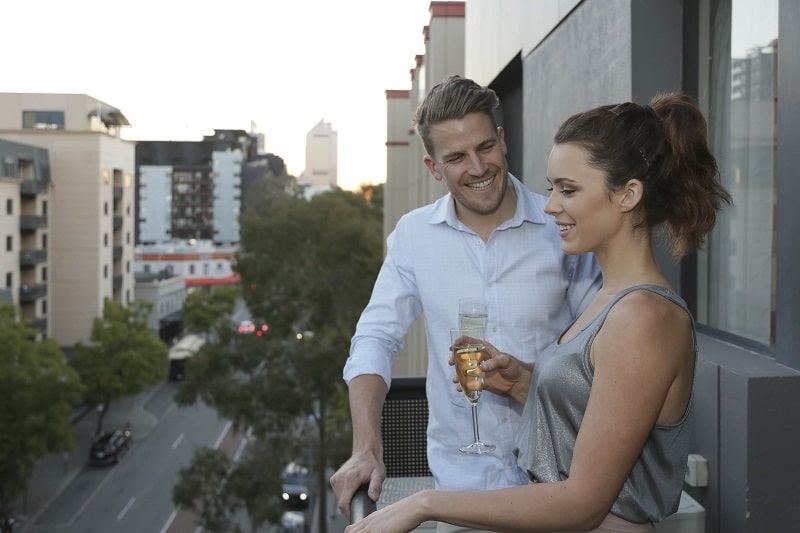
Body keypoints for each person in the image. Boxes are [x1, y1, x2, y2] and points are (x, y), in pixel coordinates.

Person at [343, 92, 732, 533]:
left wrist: (425, 504)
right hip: (501, 498)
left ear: (628, 195)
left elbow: (584, 499)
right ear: (434, 167)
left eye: (567, 190)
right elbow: (596, 403)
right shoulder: (612, 301)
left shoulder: (641, 315)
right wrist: (525, 383)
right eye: (552, 189)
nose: (549, 206)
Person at [330, 75, 602, 531]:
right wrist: (366, 448)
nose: (477, 167)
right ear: (434, 168)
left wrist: (527, 381)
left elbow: (600, 357)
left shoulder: (563, 228)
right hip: (460, 501)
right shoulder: (413, 237)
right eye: (456, 157)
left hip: (558, 489)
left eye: (484, 147)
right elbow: (375, 338)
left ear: (502, 140)